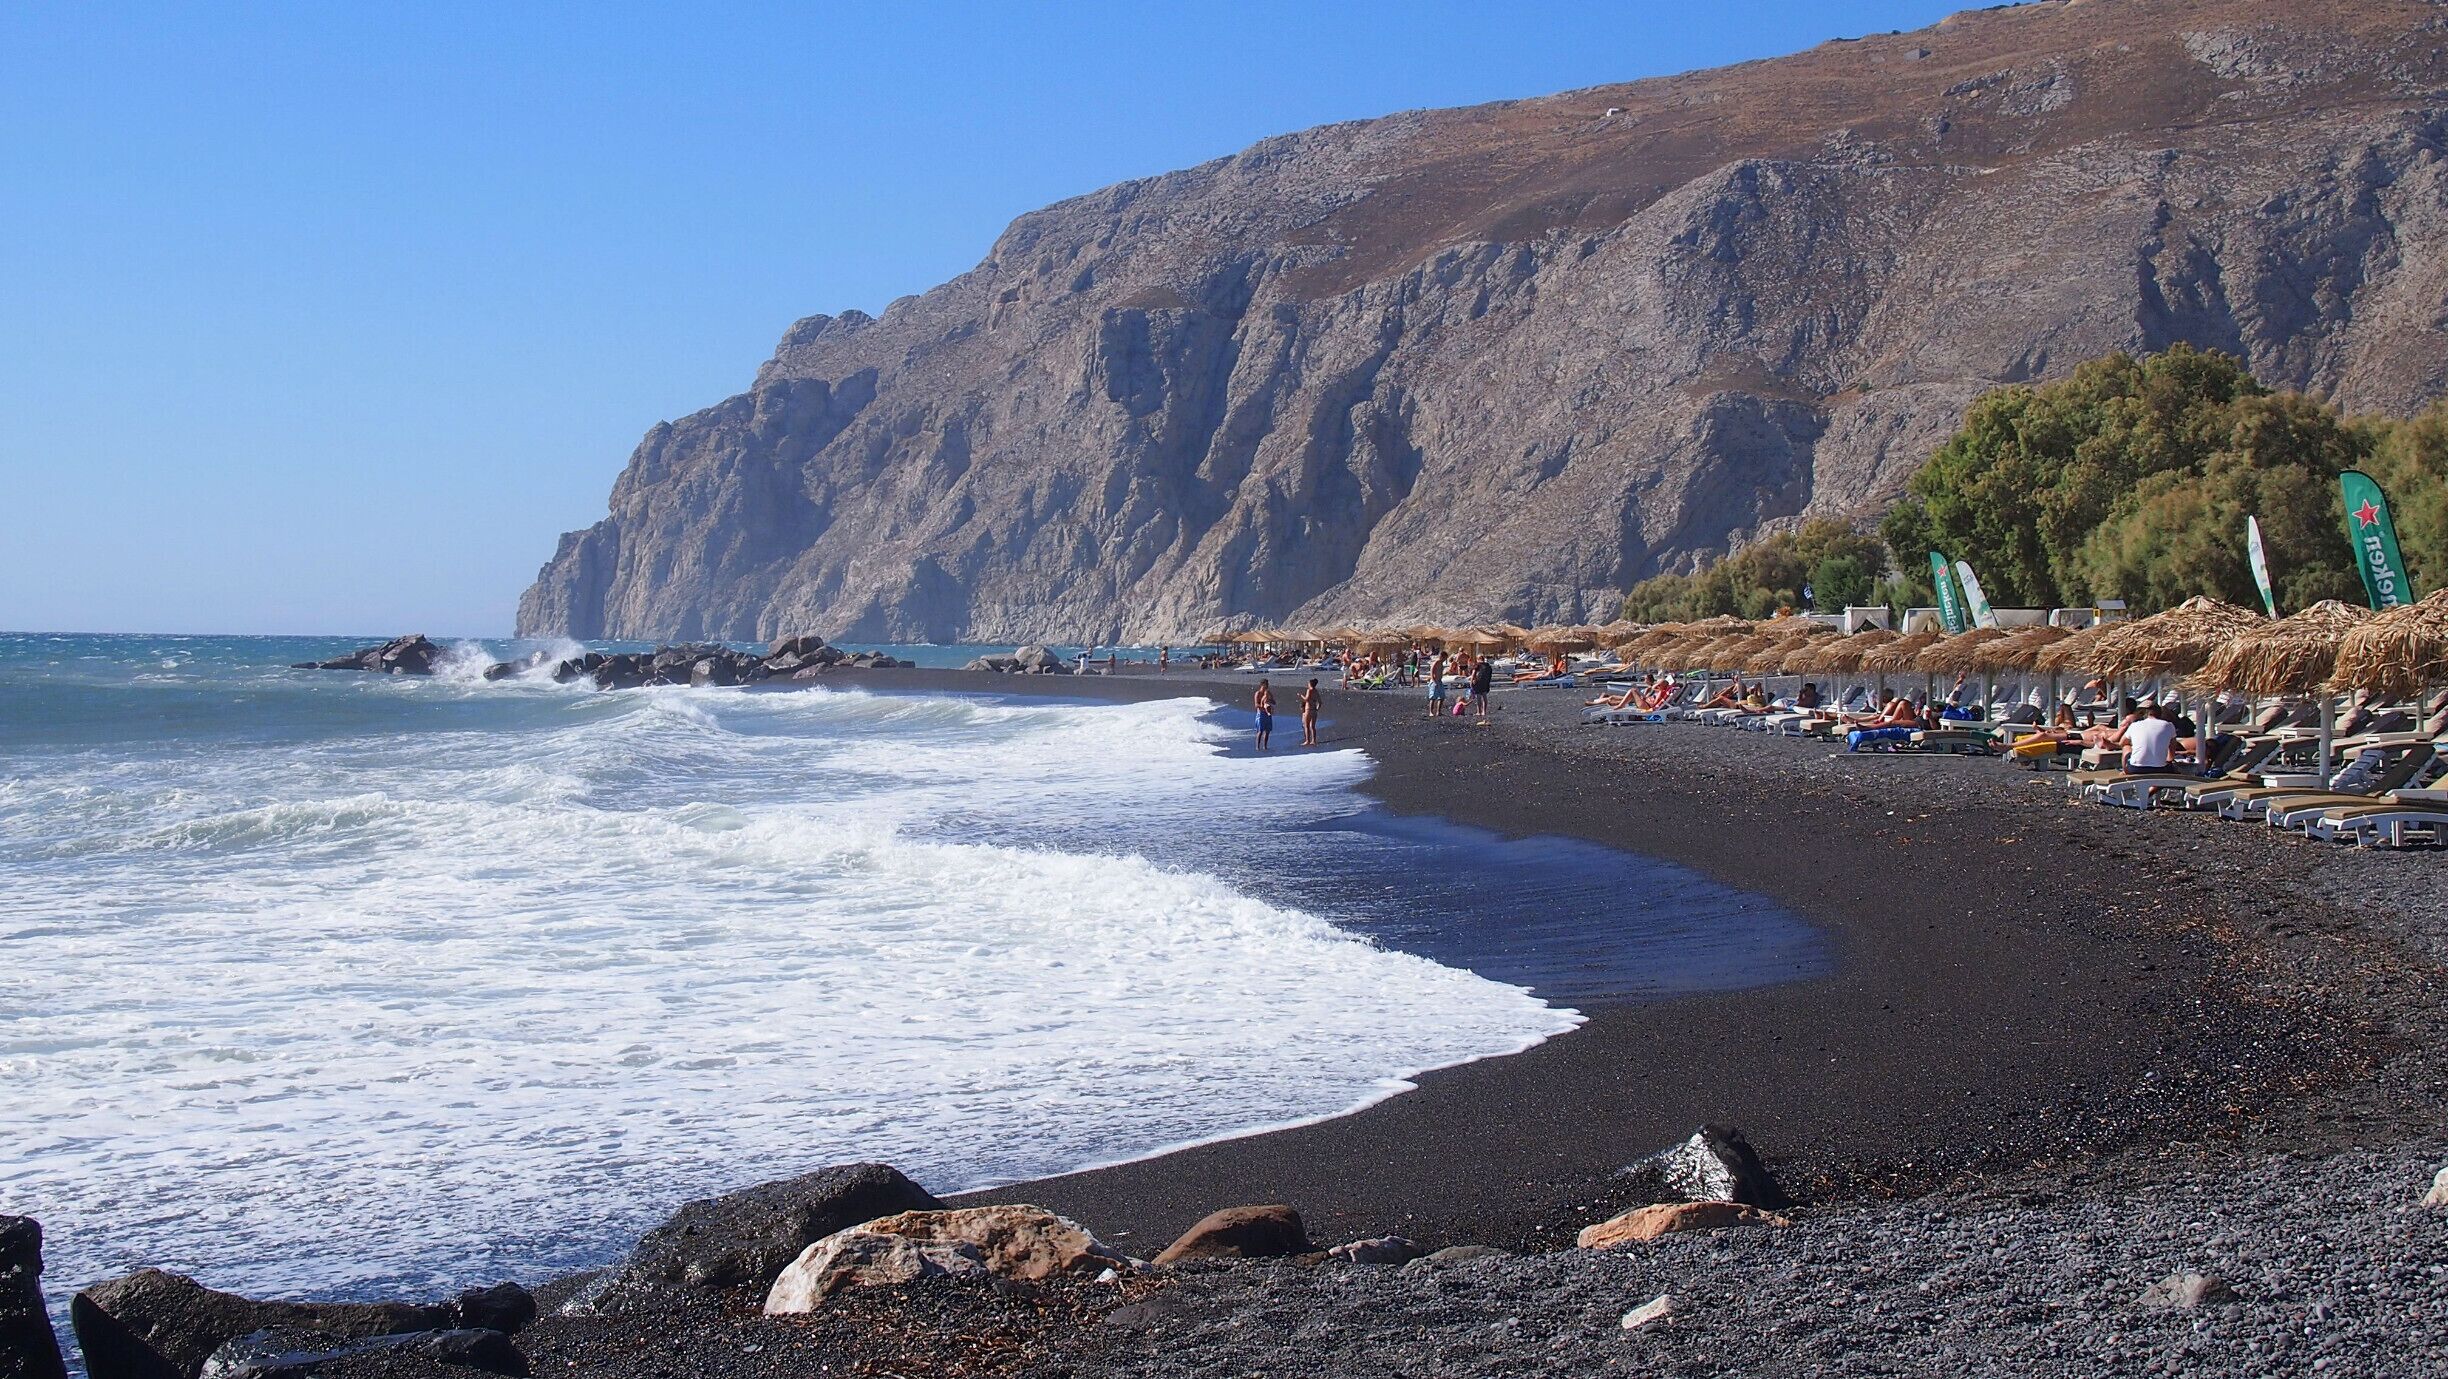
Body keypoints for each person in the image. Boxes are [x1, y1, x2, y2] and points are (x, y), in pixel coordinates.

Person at [2122, 702, 2180, 773]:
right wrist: (2169, 760)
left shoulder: (2135, 725)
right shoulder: (2169, 725)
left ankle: (2125, 771)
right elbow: (2173, 746)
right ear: (2160, 713)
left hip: (2136, 768)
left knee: (2126, 746)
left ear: (2145, 713)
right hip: (2160, 768)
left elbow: (2122, 742)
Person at [1469, 655, 1494, 720]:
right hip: (1485, 683)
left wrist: (1471, 683)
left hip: (1478, 683)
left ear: (1478, 659)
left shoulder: (1477, 665)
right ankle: (1484, 712)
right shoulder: (1488, 666)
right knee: (1484, 697)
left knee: (1478, 697)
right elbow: (1490, 675)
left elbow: (1473, 674)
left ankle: (1479, 711)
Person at [1253, 679, 1276, 752]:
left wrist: (1269, 701)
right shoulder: (1258, 693)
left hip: (1267, 713)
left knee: (1268, 730)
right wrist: (1263, 706)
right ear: (1262, 684)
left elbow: (1274, 702)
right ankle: (1257, 747)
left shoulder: (1268, 693)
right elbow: (1256, 705)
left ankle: (1265, 746)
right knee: (1260, 730)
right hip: (1261, 714)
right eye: (1266, 684)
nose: (1268, 685)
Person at [1426, 651, 1449, 718]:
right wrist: (1434, 681)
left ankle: (1439, 712)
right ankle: (1431, 712)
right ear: (1442, 657)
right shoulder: (1436, 662)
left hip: (1439, 681)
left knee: (1442, 697)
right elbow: (1432, 672)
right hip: (1434, 681)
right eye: (1445, 658)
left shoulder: (1441, 663)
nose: (1445, 659)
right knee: (1433, 697)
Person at [1300, 678, 1321, 747]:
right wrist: (1317, 709)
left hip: (1308, 709)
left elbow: (1307, 699)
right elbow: (1320, 702)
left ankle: (1307, 740)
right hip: (1314, 710)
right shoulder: (1316, 691)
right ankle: (1314, 740)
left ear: (1310, 684)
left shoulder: (1309, 690)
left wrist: (1300, 695)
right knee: (1312, 726)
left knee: (1306, 726)